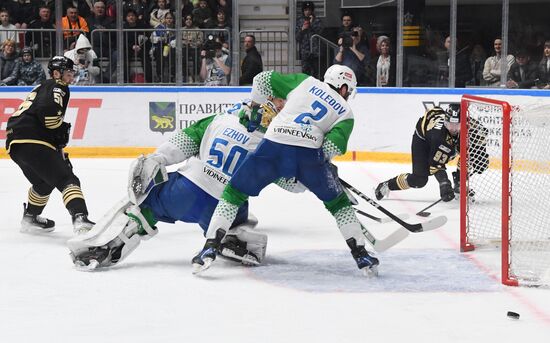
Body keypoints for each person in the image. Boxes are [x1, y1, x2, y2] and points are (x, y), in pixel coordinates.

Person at [192, 65, 381, 277]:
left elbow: (261, 78)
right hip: (308, 157)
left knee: (233, 194)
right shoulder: (346, 113)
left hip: (273, 146)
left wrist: (253, 106)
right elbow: (332, 147)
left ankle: (209, 247)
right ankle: (361, 254)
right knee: (339, 205)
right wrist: (323, 170)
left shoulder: (304, 81)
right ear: (344, 87)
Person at [67, 98, 292, 270]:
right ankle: (230, 238)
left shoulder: (221, 119)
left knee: (147, 204)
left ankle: (107, 245)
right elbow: (292, 183)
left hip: (184, 192)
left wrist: (157, 158)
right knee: (243, 216)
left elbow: (182, 143)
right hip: (224, 206)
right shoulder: (274, 144)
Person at [5, 56, 94, 235]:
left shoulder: (42, 87)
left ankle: (30, 218)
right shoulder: (58, 86)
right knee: (67, 179)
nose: (71, 78)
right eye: (68, 74)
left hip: (16, 143)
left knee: (44, 182)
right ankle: (80, 218)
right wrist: (60, 130)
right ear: (56, 73)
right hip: (33, 139)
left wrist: (56, 142)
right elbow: (49, 116)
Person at [375, 105, 463, 203]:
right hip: (423, 140)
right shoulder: (439, 136)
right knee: (419, 180)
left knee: (470, 153)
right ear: (446, 123)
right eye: (450, 125)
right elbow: (435, 165)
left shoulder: (470, 126)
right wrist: (444, 183)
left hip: (435, 134)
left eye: (457, 125)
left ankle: (459, 181)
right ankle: (387, 185)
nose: (453, 129)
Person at [295, 1, 323, 78]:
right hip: (305, 51)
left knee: (316, 72)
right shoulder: (300, 21)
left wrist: (311, 24)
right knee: (305, 72)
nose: (307, 12)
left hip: (315, 50)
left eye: (309, 10)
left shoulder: (317, 21)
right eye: (305, 10)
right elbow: (297, 37)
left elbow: (319, 32)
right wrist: (302, 29)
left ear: (312, 11)